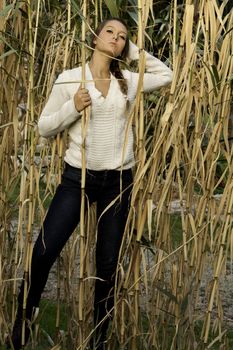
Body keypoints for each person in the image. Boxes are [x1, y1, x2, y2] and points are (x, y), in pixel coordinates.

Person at [7, 17, 172, 350]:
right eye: (110, 32)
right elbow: (44, 127)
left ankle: (99, 338)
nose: (116, 38)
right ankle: (24, 321)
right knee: (44, 251)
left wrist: (131, 50)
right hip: (78, 180)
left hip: (119, 182)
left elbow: (166, 75)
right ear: (95, 36)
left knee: (107, 265)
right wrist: (73, 107)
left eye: (122, 36)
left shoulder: (127, 78)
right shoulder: (70, 79)